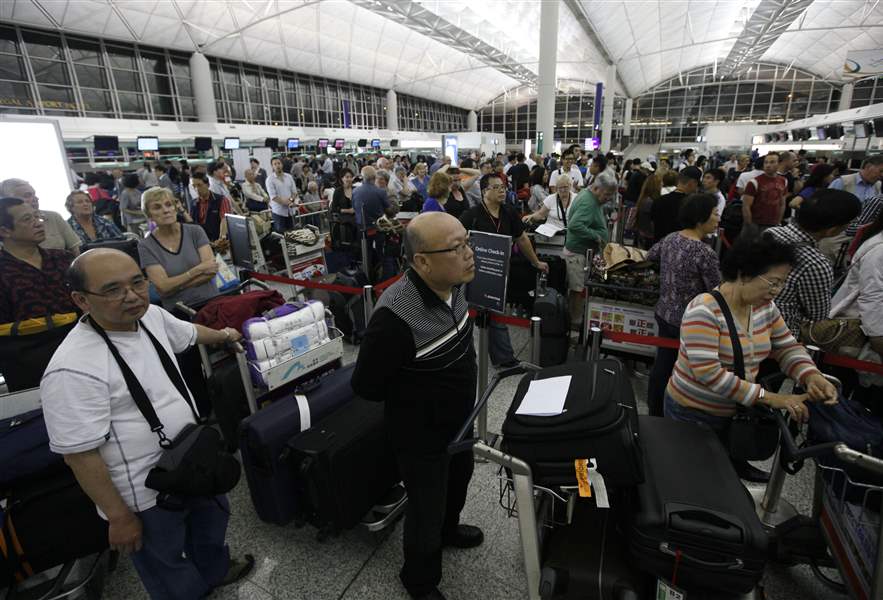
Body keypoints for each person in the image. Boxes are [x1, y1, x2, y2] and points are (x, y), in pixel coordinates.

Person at [41, 248, 253, 600]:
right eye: (112, 289)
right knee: (165, 561)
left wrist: (226, 336)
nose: (132, 295)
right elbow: (79, 456)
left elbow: (188, 332)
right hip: (145, 492)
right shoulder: (71, 369)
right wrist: (119, 517)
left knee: (211, 525)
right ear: (81, 300)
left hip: (192, 459)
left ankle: (215, 572)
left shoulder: (151, 315)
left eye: (137, 282)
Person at [352, 212, 480, 600]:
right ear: (422, 260)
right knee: (427, 504)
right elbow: (367, 385)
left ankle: (449, 530)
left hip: (460, 420)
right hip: (421, 434)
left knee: (459, 478)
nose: (469, 253)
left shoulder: (454, 284)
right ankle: (420, 578)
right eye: (457, 247)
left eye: (467, 241)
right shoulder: (395, 317)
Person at [665, 232, 839, 482]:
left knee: (720, 473)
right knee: (691, 478)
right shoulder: (704, 310)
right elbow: (709, 374)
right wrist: (770, 398)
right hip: (693, 414)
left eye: (782, 283)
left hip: (734, 413)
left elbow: (787, 346)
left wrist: (811, 375)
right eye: (773, 282)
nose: (777, 291)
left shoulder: (763, 307)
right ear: (744, 273)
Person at [645, 194, 722, 417]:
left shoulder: (671, 238)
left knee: (662, 365)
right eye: (715, 214)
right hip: (689, 322)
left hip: (664, 312)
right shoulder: (704, 252)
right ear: (701, 219)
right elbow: (716, 290)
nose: (718, 218)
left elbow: (651, 255)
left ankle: (654, 409)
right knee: (680, 371)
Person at [460, 174, 549, 367]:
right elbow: (457, 239)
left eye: (503, 187)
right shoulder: (472, 215)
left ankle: (501, 358)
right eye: (497, 187)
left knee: (494, 314)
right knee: (477, 316)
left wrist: (535, 262)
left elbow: (522, 239)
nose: (503, 190)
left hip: (500, 273)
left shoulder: (508, 212)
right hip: (475, 274)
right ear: (485, 192)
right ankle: (499, 359)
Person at [0, 196, 78, 391]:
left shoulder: (63, 259)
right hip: (29, 365)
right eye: (27, 219)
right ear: (4, 231)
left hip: (81, 349)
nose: (38, 223)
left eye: (37, 216)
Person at [766, 189, 861, 337]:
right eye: (848, 224)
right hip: (778, 336)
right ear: (832, 230)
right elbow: (818, 315)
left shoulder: (769, 232)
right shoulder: (816, 264)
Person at [138, 187, 219, 313]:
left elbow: (211, 271)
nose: (166, 210)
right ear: (149, 215)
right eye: (157, 207)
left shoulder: (195, 231)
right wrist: (197, 270)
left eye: (169, 205)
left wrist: (173, 287)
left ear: (175, 208)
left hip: (211, 302)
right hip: (178, 311)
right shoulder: (146, 246)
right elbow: (163, 287)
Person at [829, 209, 883, 396]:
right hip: (860, 334)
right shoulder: (879, 251)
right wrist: (879, 340)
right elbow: (872, 298)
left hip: (868, 331)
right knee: (851, 397)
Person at [564, 173, 616, 326]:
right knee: (577, 290)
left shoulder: (589, 196)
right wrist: (597, 236)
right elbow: (575, 225)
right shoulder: (589, 202)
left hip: (581, 253)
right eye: (606, 194)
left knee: (578, 289)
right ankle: (574, 324)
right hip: (577, 254)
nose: (608, 198)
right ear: (596, 188)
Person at [0, 178, 80, 254]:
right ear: (8, 201)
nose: (36, 198)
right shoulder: (5, 229)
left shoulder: (53, 217)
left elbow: (76, 249)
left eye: (34, 194)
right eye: (27, 195)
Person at [353, 166, 395, 281]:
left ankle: (368, 281)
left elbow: (354, 208)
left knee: (366, 257)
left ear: (362, 177)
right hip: (378, 230)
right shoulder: (380, 192)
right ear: (374, 177)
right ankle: (384, 281)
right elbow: (389, 211)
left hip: (361, 230)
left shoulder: (355, 191)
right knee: (383, 256)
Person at [651, 166, 701, 244]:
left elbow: (653, 225)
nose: (696, 188)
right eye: (697, 184)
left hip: (659, 247)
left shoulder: (658, 201)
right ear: (692, 183)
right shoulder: (692, 205)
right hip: (680, 251)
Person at [741, 153, 786, 230]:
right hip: (756, 224)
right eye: (766, 162)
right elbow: (746, 206)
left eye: (772, 162)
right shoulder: (754, 182)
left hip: (773, 224)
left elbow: (782, 203)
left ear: (779, 164)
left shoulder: (783, 181)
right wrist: (749, 225)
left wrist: (778, 221)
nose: (768, 165)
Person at [189, 177, 233, 243]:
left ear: (208, 185)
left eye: (199, 185)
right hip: (200, 241)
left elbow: (224, 220)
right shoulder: (193, 203)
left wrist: (221, 238)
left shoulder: (221, 200)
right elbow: (191, 223)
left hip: (217, 240)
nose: (197, 189)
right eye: (194, 186)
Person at [265, 157, 299, 232]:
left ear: (282, 164)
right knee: (281, 236)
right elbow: (273, 197)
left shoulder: (289, 177)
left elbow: (294, 192)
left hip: (291, 212)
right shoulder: (270, 179)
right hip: (279, 212)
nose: (277, 165)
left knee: (292, 234)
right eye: (275, 164)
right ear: (272, 166)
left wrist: (290, 201)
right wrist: (287, 203)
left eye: (279, 163)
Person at [635, 172, 662, 249]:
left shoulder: (643, 199)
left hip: (642, 233)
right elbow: (652, 222)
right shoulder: (650, 202)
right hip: (648, 236)